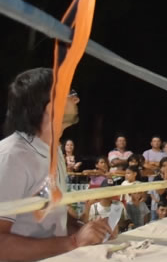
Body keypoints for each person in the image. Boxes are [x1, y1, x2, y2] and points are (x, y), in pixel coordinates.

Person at [0, 68, 112, 260]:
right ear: (51, 105)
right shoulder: (12, 157)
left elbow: (47, 213)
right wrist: (73, 242)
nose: (77, 99)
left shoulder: (54, 151)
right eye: (70, 93)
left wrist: (87, 230)